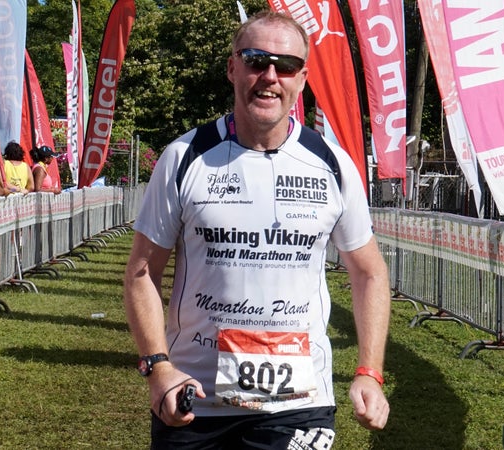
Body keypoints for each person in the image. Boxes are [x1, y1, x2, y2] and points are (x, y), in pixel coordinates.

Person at [123, 11, 391, 449]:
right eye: (255, 60)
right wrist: (159, 368)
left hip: (298, 401)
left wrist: (369, 371)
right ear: (232, 68)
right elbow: (140, 274)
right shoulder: (184, 157)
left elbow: (370, 272)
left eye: (284, 65)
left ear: (301, 78)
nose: (269, 76)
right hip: (195, 398)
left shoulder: (333, 164)